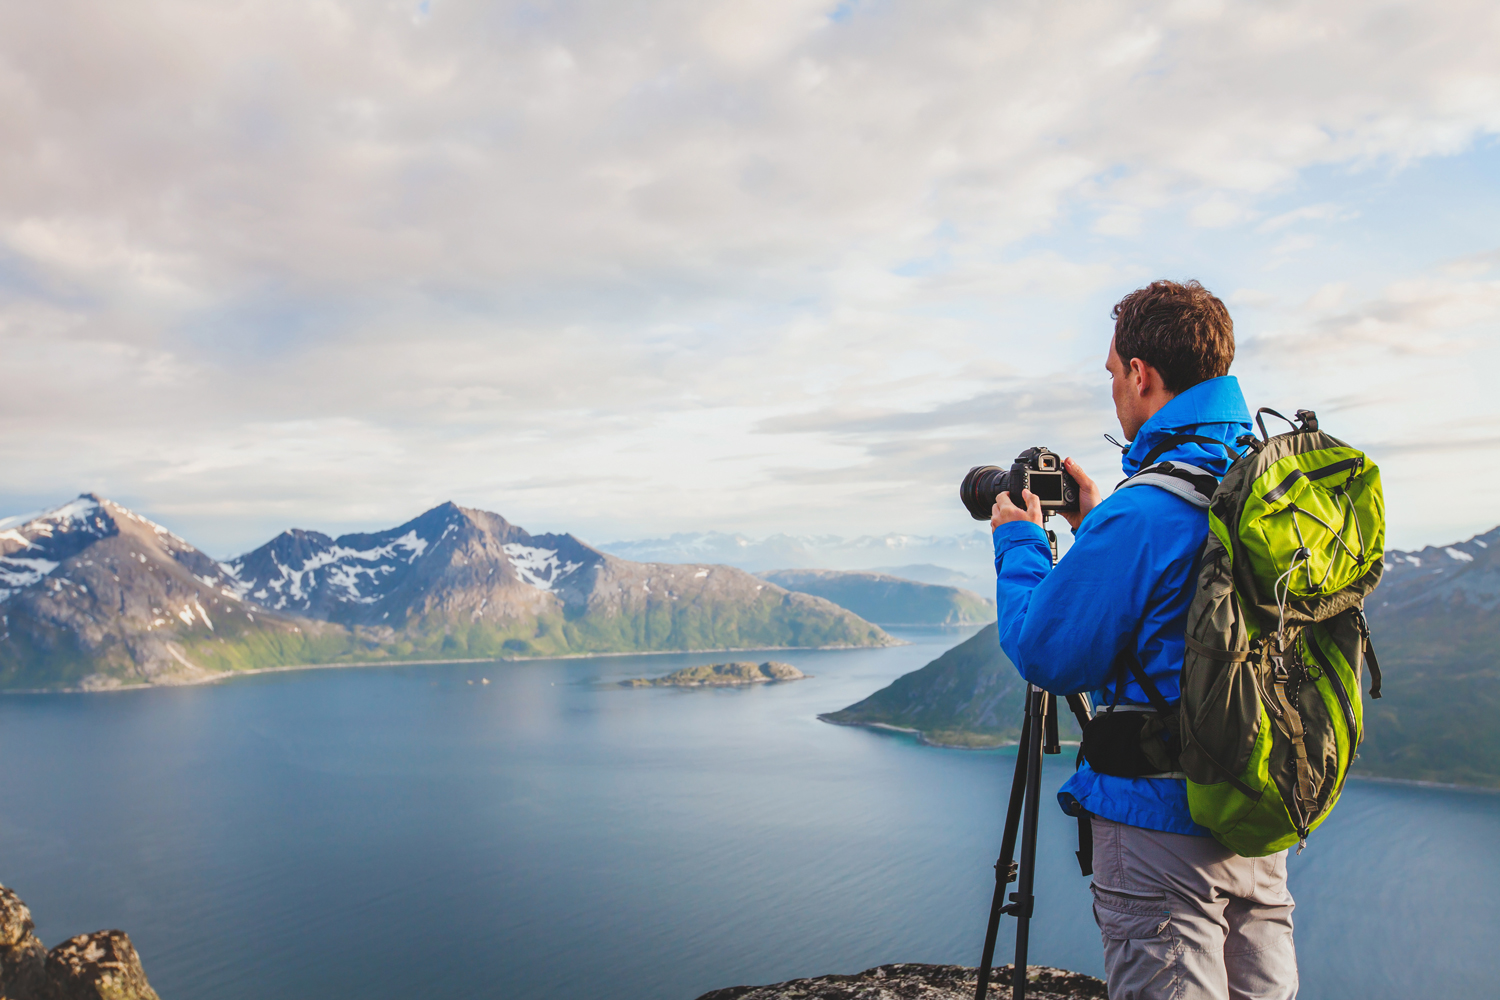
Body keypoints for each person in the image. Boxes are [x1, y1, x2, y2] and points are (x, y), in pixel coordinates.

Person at [989, 280, 1297, 1000]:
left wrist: (1021, 544)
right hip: (1258, 806)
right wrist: (1098, 523)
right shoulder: (1259, 482)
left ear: (1141, 375)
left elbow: (1049, 654)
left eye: (1112, 373)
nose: (1113, 389)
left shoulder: (1148, 510)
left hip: (1161, 830)